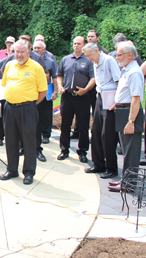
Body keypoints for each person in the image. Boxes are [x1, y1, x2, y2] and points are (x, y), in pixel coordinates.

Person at [0, 40, 47, 185]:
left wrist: (30, 104)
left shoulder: (36, 67)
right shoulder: (9, 65)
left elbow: (43, 91)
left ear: (28, 52)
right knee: (11, 140)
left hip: (27, 108)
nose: (19, 55)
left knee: (28, 141)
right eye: (16, 52)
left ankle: (28, 172)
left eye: (22, 52)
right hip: (10, 107)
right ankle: (12, 169)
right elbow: (4, 84)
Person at [109, 42, 145, 192]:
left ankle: (129, 184)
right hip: (123, 110)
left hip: (130, 113)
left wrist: (131, 121)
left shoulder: (134, 72)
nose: (116, 57)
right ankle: (126, 180)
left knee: (131, 151)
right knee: (126, 149)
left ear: (130, 55)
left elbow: (136, 99)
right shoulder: (127, 70)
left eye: (119, 55)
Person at [82, 43, 120, 179]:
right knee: (96, 131)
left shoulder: (109, 60)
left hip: (111, 98)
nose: (88, 58)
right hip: (100, 97)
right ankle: (98, 164)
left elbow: (118, 81)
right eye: (86, 56)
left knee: (107, 134)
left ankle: (111, 168)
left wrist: (116, 101)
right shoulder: (95, 62)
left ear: (96, 51)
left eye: (89, 55)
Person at [56, 36, 95, 163]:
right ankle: (64, 149)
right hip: (67, 96)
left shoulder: (88, 60)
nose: (76, 45)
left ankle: (82, 151)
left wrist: (86, 89)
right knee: (65, 124)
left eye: (79, 43)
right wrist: (60, 86)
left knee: (83, 126)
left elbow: (93, 78)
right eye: (74, 43)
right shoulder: (66, 59)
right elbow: (59, 74)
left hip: (82, 96)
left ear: (83, 45)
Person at [32, 40, 57, 160]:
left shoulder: (50, 61)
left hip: (45, 90)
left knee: (45, 115)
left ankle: (45, 136)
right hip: (31, 93)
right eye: (35, 47)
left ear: (44, 49)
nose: (36, 50)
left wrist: (55, 91)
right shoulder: (28, 59)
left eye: (39, 48)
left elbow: (52, 76)